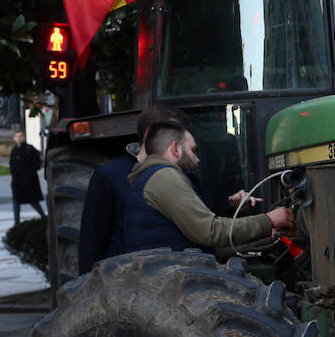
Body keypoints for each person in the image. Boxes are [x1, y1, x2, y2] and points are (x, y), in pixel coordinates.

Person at [124, 120, 292, 254]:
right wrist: (269, 220)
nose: (197, 159)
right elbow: (210, 231)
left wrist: (266, 236)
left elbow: (208, 247)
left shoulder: (153, 177)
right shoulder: (164, 177)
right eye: (193, 150)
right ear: (175, 148)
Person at [77, 105, 186, 275]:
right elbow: (92, 244)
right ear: (149, 134)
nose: (180, 145)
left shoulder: (185, 174)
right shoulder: (109, 177)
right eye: (174, 137)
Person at [9, 130, 45, 225]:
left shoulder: (30, 149)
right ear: (14, 138)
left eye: (20, 136)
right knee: (16, 203)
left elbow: (37, 161)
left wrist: (31, 173)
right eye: (17, 136)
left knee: (33, 201)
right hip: (17, 182)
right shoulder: (14, 151)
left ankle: (44, 217)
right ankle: (16, 223)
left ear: (24, 137)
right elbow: (12, 165)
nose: (19, 138)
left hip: (28, 181)